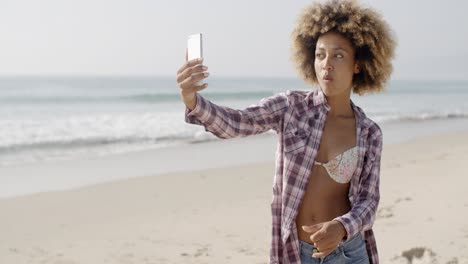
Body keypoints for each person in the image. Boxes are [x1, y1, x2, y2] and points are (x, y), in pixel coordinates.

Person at [176, 0, 396, 263]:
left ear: (358, 65)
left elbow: (368, 203)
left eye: (338, 55)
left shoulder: (370, 133)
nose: (327, 64)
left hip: (348, 251)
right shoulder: (290, 107)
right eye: (320, 54)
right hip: (297, 252)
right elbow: (237, 123)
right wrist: (193, 101)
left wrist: (341, 227)